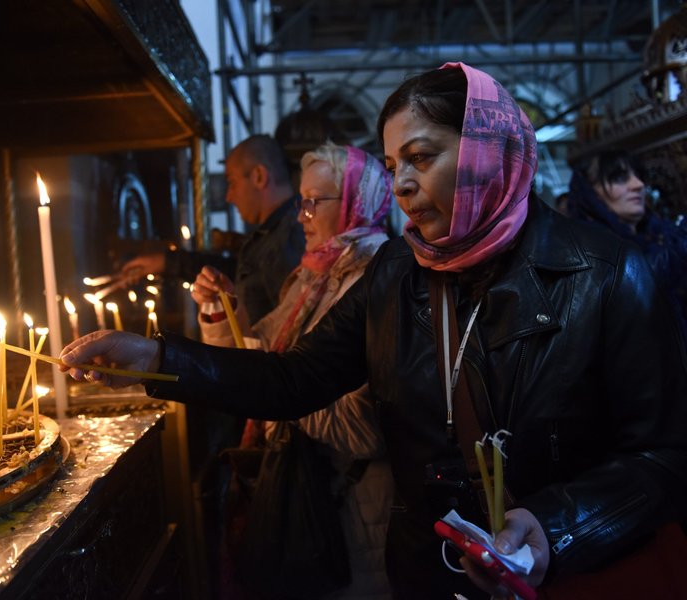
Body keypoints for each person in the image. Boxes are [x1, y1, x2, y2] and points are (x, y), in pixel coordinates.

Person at [60, 64, 687, 598]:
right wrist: (157, 359)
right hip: (424, 573)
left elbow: (661, 456)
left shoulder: (606, 272)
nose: (403, 184)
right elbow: (295, 378)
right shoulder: (397, 270)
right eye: (392, 164)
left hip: (560, 576)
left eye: (421, 157)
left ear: (486, 150)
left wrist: (555, 528)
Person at [192, 141, 394, 598]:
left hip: (350, 514)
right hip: (307, 494)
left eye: (313, 203)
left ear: (354, 203)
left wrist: (278, 387)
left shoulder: (376, 279)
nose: (300, 215)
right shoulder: (313, 275)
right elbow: (257, 354)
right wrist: (220, 310)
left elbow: (363, 429)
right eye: (300, 201)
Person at [121, 134, 306, 324]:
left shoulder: (291, 236)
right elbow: (240, 275)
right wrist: (167, 262)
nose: (228, 196)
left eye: (232, 182)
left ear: (259, 176)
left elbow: (290, 327)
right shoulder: (274, 234)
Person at [568, 149, 687, 341]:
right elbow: (635, 284)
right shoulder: (583, 248)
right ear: (590, 192)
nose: (638, 185)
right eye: (620, 178)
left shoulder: (660, 234)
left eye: (639, 176)